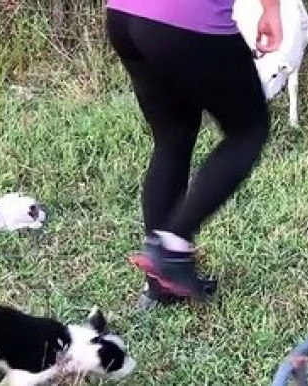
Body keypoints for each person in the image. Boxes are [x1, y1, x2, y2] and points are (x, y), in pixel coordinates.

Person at [105, 0, 283, 308]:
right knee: (248, 131)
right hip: (187, 20)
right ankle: (171, 248)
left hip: (124, 15)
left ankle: (161, 288)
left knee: (172, 138)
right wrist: (271, 12)